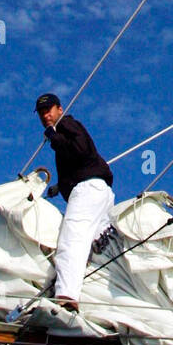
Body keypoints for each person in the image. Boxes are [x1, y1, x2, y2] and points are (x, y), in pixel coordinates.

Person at [35, 92, 115, 311]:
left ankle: (66, 298)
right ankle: (99, 304)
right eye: (41, 113)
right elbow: (79, 159)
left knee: (72, 240)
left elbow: (80, 149)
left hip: (88, 191)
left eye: (48, 110)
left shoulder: (67, 124)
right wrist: (60, 186)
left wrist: (53, 136)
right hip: (98, 192)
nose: (45, 116)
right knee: (99, 248)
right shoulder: (66, 130)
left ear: (59, 109)